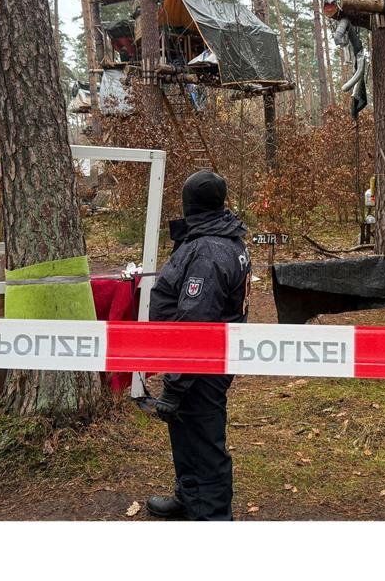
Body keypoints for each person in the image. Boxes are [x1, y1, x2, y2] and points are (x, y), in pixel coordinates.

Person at [142, 170, 251, 521]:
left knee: (204, 443)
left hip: (199, 368)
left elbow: (194, 327)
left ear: (191, 205)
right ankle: (189, 497)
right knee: (188, 435)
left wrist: (174, 386)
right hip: (201, 365)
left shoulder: (208, 250)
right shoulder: (221, 236)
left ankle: (212, 517)